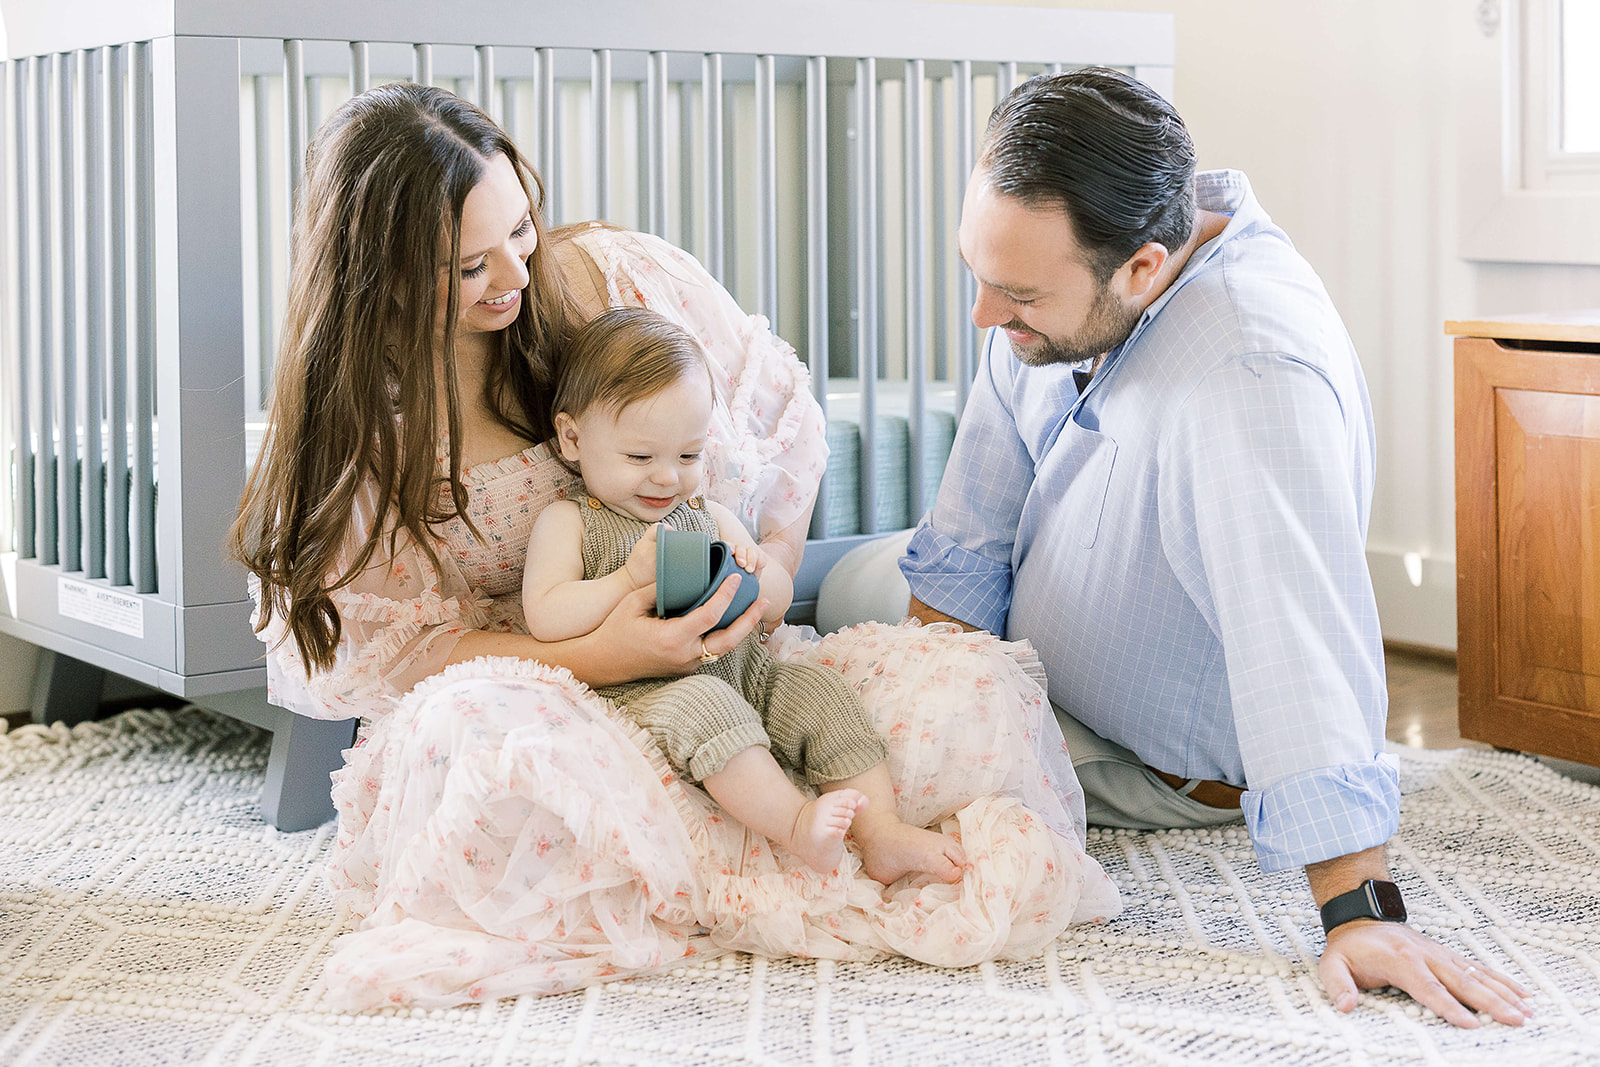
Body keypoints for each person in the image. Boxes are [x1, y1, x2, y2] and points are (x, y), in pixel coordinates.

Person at [231, 82, 1118, 1009]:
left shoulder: (614, 287)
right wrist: (596, 652)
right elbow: (411, 652)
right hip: (543, 684)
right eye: (467, 268)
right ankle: (745, 831)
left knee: (952, 691)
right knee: (497, 769)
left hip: (725, 658)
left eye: (522, 233)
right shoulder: (374, 430)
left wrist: (769, 575)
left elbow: (765, 437)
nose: (514, 279)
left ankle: (854, 822)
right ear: (379, 276)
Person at [900, 68, 1532, 1029]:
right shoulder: (1078, 267)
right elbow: (970, 526)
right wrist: (920, 706)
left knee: (806, 692)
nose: (986, 316)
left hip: (1136, 757)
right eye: (977, 274)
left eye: (1017, 293)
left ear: (1145, 269)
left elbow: (1298, 641)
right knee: (837, 613)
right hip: (1030, 666)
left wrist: (1358, 909)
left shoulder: (1248, 376)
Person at [523, 307, 966, 884]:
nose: (666, 478)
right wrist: (624, 582)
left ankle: (880, 829)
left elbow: (775, 599)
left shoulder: (707, 514)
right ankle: (796, 824)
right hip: (645, 690)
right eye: (640, 457)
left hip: (744, 670)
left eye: (687, 456)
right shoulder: (570, 521)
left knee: (817, 689)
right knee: (707, 707)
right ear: (572, 438)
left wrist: (758, 572)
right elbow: (547, 616)